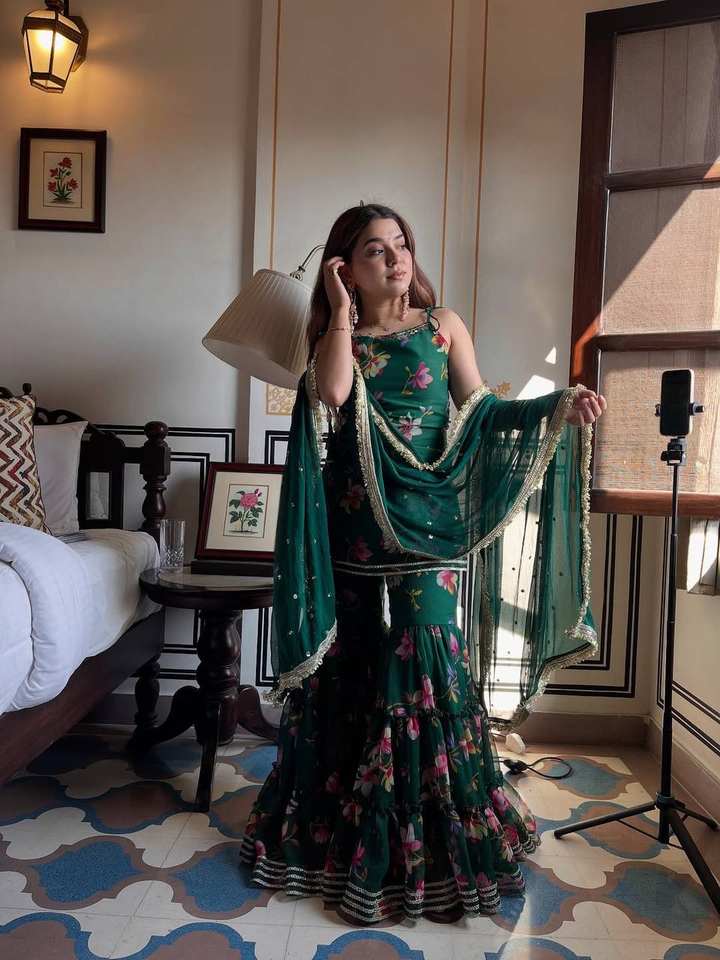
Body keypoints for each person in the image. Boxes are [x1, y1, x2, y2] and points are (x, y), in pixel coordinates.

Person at [239, 203, 607, 925]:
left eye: (401, 244)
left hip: (428, 525)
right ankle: (339, 832)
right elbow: (334, 396)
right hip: (353, 525)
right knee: (352, 663)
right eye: (375, 250)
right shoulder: (335, 337)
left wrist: (554, 408)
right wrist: (338, 310)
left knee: (426, 659)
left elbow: (480, 411)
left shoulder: (443, 326)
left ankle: (433, 844)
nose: (395, 258)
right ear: (347, 267)